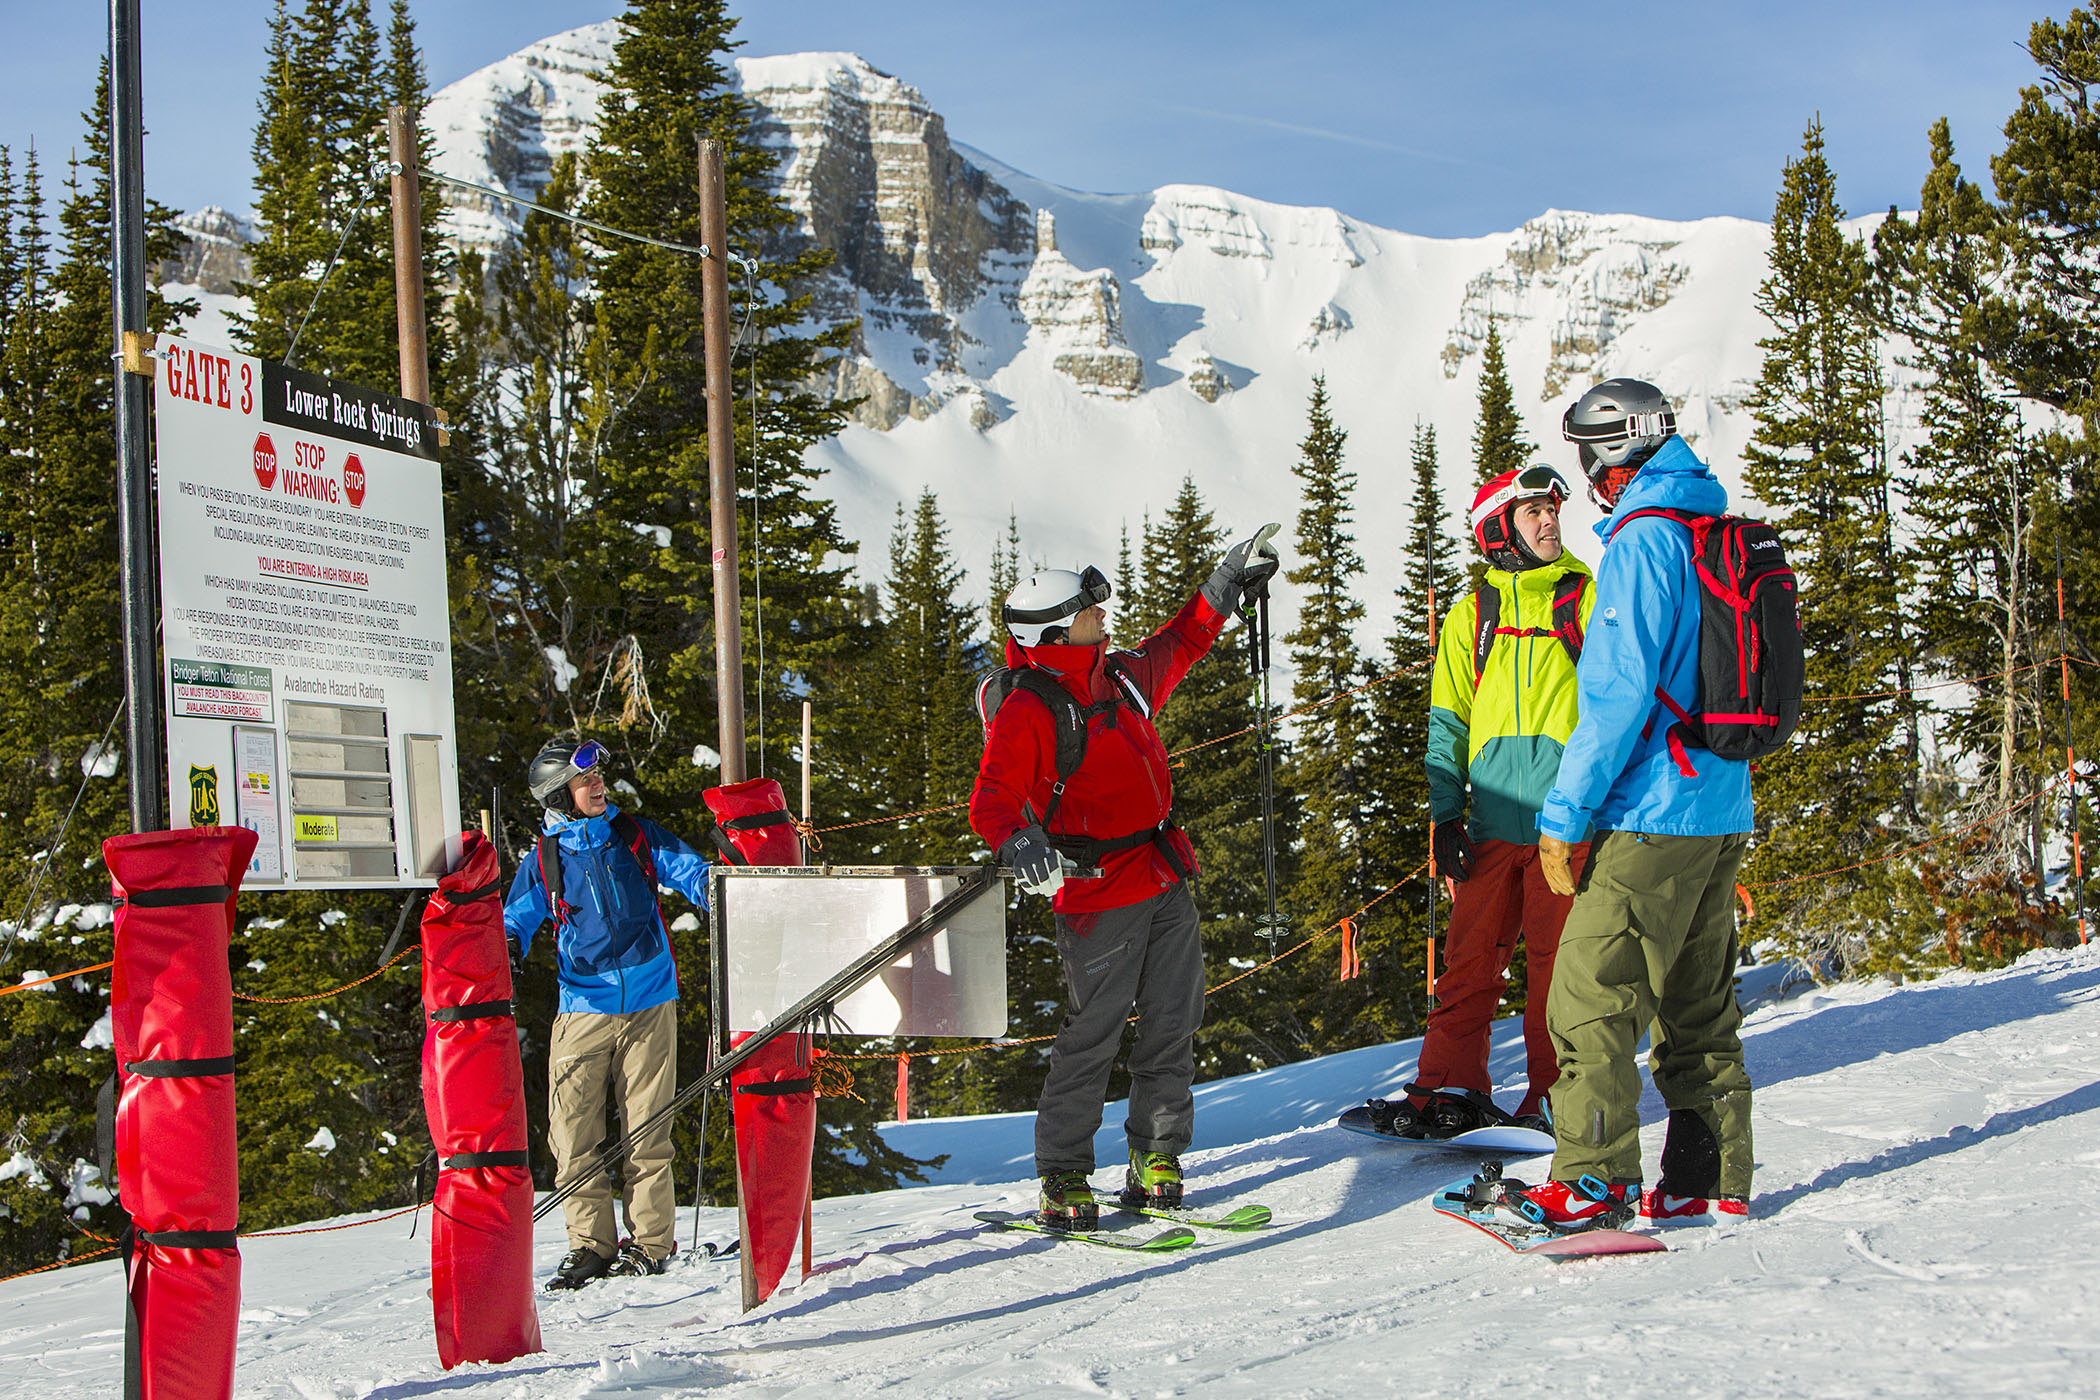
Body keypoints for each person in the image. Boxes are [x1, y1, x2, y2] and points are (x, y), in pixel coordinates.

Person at [971, 528, 1279, 1229]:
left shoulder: (1118, 681)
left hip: (1161, 873)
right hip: (1097, 890)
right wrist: (1018, 842)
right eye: (1089, 613)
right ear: (1057, 632)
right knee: (1094, 1035)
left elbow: (1181, 644)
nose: (1103, 620)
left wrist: (1223, 587)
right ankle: (1064, 1175)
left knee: (1173, 1023)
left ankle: (1157, 1157)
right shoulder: (1030, 708)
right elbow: (990, 799)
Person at [1506, 378, 1756, 1230]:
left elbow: (1616, 698)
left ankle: (1593, 1181)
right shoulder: (1705, 523)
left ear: (1617, 449)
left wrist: (1562, 817)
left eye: (1588, 454)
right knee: (1697, 999)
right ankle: (1706, 1173)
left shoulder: (1646, 542)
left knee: (1588, 996)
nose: (1586, 477)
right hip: (1720, 803)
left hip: (1652, 808)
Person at [1361, 465, 1594, 1139]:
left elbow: (1614, 706)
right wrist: (1445, 816)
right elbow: (1448, 722)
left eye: (1553, 509)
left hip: (1565, 827)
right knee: (1467, 967)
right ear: (1499, 530)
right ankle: (1447, 1090)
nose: (1550, 520)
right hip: (1490, 826)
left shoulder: (1583, 600)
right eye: (1533, 513)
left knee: (1560, 975)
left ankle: (1556, 1098)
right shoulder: (1474, 616)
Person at [504, 737, 712, 1288]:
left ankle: (649, 1243)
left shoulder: (634, 836)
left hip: (650, 1001)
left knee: (648, 1132)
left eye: (597, 777)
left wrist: (722, 894)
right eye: (584, 781)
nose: (598, 785)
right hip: (583, 1007)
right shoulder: (545, 861)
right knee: (571, 1135)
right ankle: (590, 1246)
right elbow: (515, 921)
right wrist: (502, 952)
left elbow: (691, 872)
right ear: (559, 797)